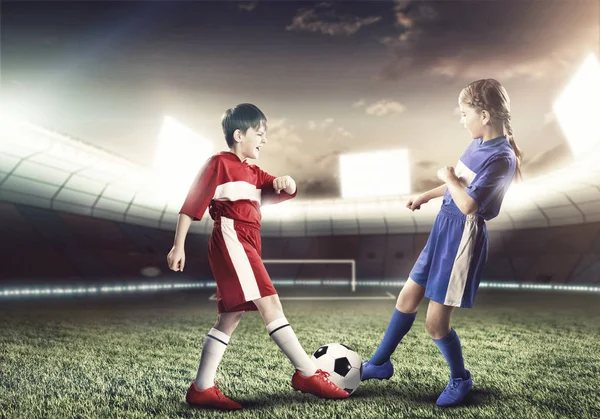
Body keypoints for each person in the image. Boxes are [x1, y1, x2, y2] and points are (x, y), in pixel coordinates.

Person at [167, 103, 349, 410]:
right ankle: (308, 373)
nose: (263, 140)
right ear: (240, 135)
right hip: (231, 236)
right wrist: (178, 245)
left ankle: (202, 389)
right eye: (259, 134)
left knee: (230, 316)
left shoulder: (254, 172)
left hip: (248, 240)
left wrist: (288, 183)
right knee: (270, 303)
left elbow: (282, 190)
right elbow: (191, 204)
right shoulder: (218, 163)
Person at [361, 79, 522, 407]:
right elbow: (458, 185)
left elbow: (469, 205)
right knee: (407, 297)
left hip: (463, 239)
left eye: (465, 113)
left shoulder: (503, 157)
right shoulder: (476, 144)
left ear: (485, 115)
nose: (462, 120)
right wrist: (426, 195)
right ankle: (379, 363)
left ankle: (460, 378)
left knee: (435, 325)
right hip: (442, 231)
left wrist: (447, 178)